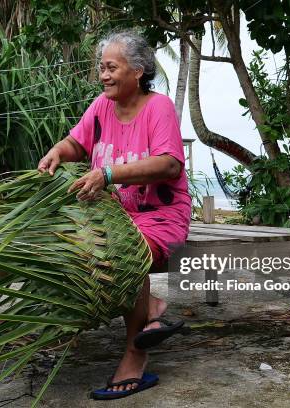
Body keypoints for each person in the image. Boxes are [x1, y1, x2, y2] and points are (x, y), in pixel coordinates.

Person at [37, 30, 191, 399]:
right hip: (115, 217)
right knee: (70, 250)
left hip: (160, 217)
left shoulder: (158, 108)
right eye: (101, 68)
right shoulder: (101, 106)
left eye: (111, 67)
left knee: (124, 252)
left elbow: (169, 164)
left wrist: (108, 174)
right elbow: (78, 142)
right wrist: (58, 151)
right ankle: (151, 307)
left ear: (137, 71)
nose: (103, 75)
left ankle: (135, 355)